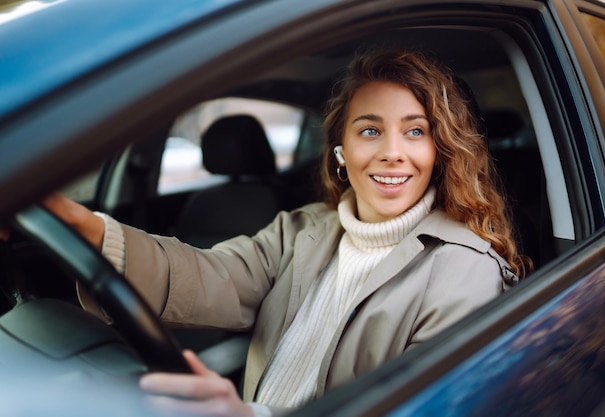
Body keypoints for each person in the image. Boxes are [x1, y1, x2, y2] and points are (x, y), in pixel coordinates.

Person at [42, 49, 531, 416]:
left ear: (440, 150)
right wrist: (85, 228)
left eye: (415, 131)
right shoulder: (304, 228)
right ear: (340, 149)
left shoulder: (464, 270)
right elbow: (213, 275)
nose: (392, 152)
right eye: (369, 130)